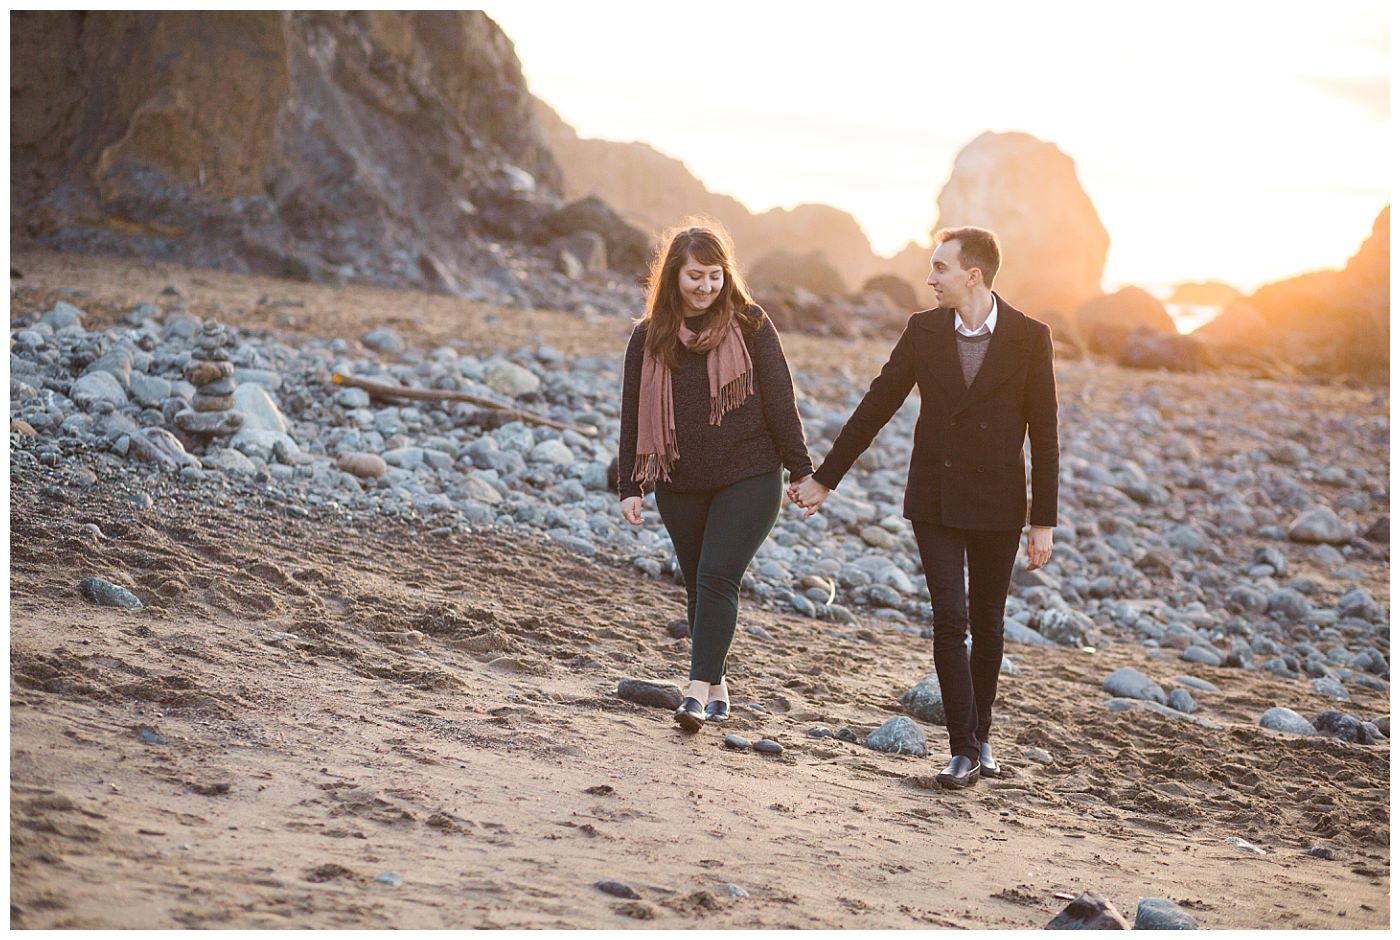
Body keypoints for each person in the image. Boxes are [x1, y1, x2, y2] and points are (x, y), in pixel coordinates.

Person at [789, 226, 1058, 788]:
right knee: (950, 620)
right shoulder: (924, 330)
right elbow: (878, 403)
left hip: (999, 501)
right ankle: (962, 750)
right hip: (934, 496)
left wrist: (1043, 520)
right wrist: (824, 479)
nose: (930, 278)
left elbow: (1045, 432)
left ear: (973, 275)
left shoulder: (1030, 338)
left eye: (940, 268)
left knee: (987, 624)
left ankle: (981, 737)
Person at [618, 222, 813, 733]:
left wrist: (802, 468)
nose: (706, 287)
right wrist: (630, 484)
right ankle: (719, 685)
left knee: (718, 575)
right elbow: (633, 412)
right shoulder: (648, 336)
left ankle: (695, 693)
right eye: (695, 277)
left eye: (715, 275)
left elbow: (779, 399)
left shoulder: (750, 324)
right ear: (673, 277)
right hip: (679, 479)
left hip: (749, 473)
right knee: (699, 588)